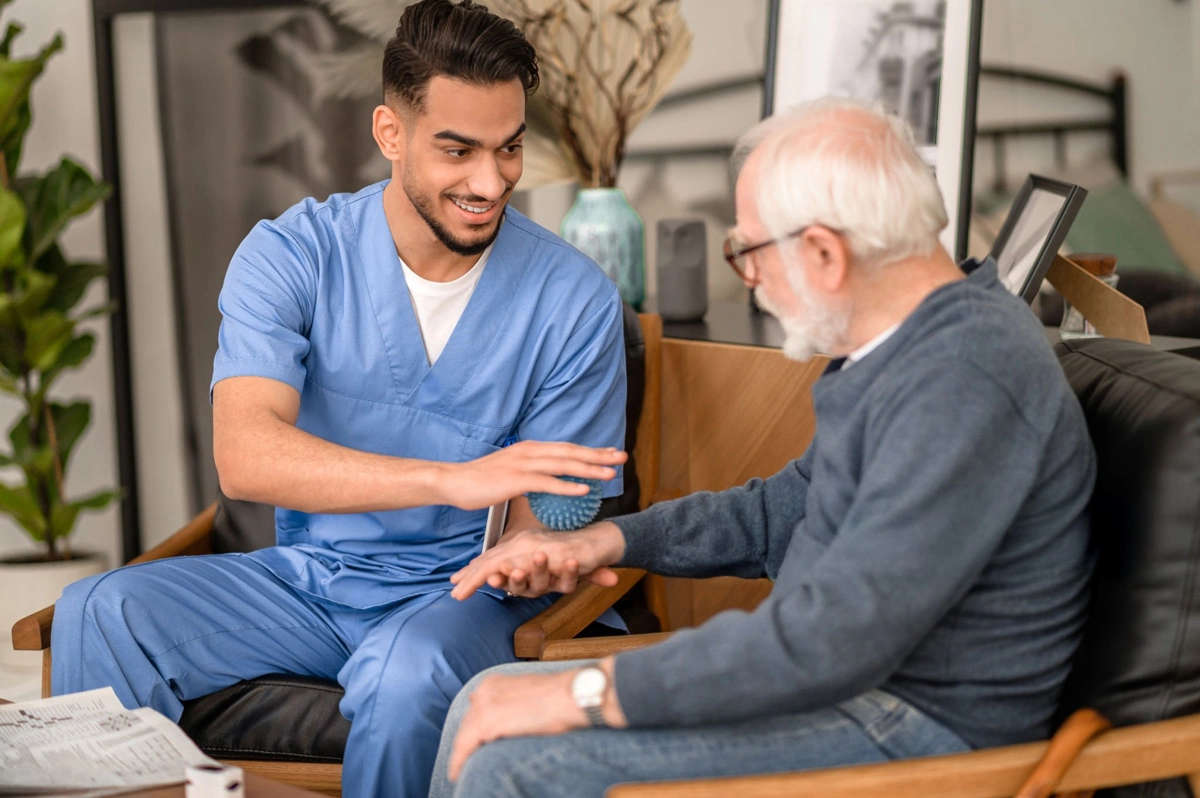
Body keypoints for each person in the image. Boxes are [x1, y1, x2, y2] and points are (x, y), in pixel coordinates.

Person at [431, 97, 1097, 798]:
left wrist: (587, 691)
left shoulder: (964, 376)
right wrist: (609, 542)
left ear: (822, 253)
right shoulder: (901, 347)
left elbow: (831, 638)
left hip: (916, 732)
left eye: (749, 252)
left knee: (517, 762)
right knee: (489, 697)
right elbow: (781, 513)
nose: (752, 281)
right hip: (848, 689)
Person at [49, 2, 628, 796]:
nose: (490, 182)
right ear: (390, 134)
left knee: (404, 670)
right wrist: (450, 479)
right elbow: (245, 457)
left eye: (509, 148)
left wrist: (532, 556)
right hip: (316, 582)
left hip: (466, 596)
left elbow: (553, 513)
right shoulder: (291, 255)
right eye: (457, 150)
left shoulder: (574, 299)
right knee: (101, 610)